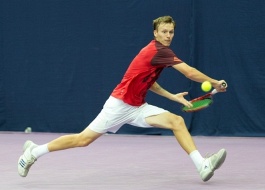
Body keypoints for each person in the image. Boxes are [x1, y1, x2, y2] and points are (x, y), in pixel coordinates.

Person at [18, 15, 227, 182]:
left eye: (171, 32)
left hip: (137, 107)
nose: (168, 35)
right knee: (82, 140)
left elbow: (150, 83)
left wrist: (172, 97)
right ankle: (32, 153)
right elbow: (189, 72)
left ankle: (202, 165)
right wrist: (215, 82)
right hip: (118, 105)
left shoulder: (159, 53)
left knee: (177, 121)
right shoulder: (157, 50)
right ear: (155, 33)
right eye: (164, 31)